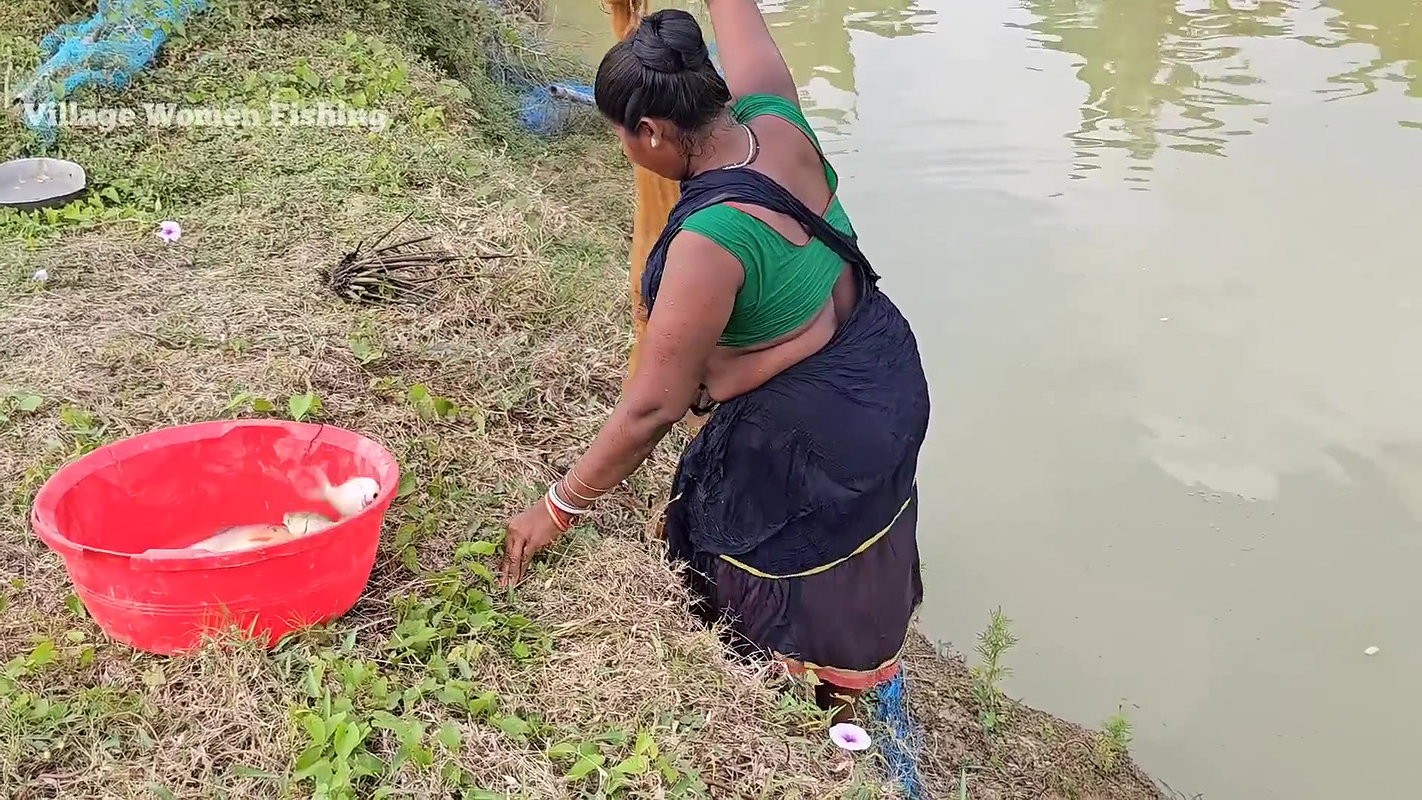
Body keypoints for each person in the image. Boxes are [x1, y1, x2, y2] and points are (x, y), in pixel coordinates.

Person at [499, 1, 930, 722]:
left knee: (783, 566)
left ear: (651, 131)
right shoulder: (775, 116)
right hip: (884, 374)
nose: (623, 149)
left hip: (815, 434)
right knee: (859, 549)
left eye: (619, 137)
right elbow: (742, 21)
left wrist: (558, 506)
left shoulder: (710, 240)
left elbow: (653, 408)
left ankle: (804, 698)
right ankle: (858, 679)